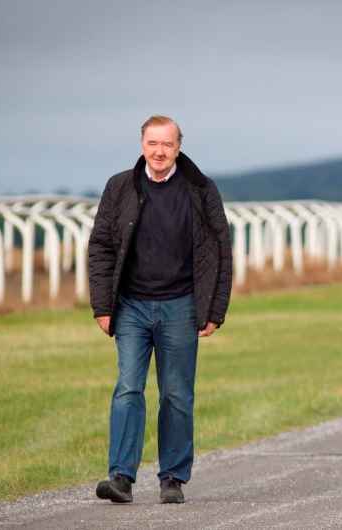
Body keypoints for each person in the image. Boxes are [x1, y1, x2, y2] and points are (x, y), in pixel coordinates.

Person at [88, 115, 233, 504]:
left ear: (178, 147)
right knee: (128, 389)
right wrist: (102, 305)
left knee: (176, 395)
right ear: (142, 145)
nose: (159, 151)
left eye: (167, 144)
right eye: (153, 143)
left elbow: (221, 251)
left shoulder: (201, 189)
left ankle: (173, 477)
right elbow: (100, 246)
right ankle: (120, 477)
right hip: (131, 306)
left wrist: (215, 310)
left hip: (182, 307)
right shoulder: (119, 187)